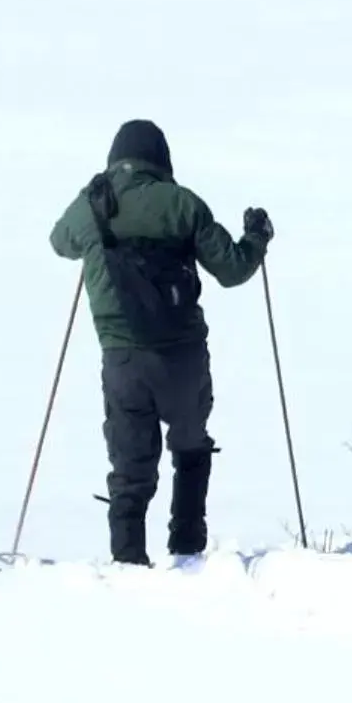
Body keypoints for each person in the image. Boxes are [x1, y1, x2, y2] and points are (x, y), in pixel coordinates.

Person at [51, 120, 272, 566]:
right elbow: (231, 271)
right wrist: (256, 238)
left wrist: (93, 205)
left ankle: (128, 561)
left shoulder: (94, 204)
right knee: (190, 445)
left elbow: (60, 242)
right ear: (162, 160)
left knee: (130, 466)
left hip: (122, 357)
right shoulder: (182, 204)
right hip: (183, 357)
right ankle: (188, 550)